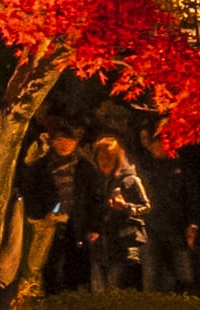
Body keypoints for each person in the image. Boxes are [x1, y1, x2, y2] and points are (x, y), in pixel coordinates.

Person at [66, 121, 155, 293]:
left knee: (115, 286)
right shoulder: (97, 180)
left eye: (108, 158)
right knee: (98, 287)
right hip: (100, 244)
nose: (104, 162)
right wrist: (92, 228)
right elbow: (93, 207)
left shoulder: (130, 180)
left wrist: (126, 207)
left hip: (120, 243)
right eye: (101, 158)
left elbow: (146, 206)